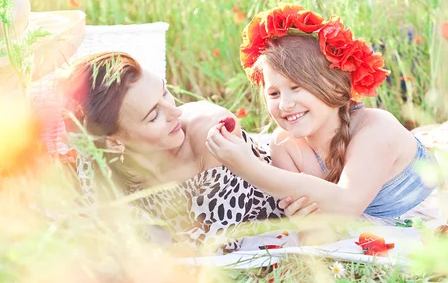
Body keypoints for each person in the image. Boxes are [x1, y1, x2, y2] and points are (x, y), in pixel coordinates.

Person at [206, 4, 448, 225]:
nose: (284, 103)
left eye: (297, 88)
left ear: (334, 87)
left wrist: (246, 165)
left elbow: (344, 203)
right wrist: (306, 201)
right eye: (273, 92)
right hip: (427, 160)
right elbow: (313, 217)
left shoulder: (374, 128)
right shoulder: (284, 146)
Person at [61, 52, 312, 249]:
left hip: (300, 185)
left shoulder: (210, 134)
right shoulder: (98, 160)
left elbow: (220, 243)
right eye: (154, 115)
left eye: (165, 93)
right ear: (114, 143)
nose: (176, 112)